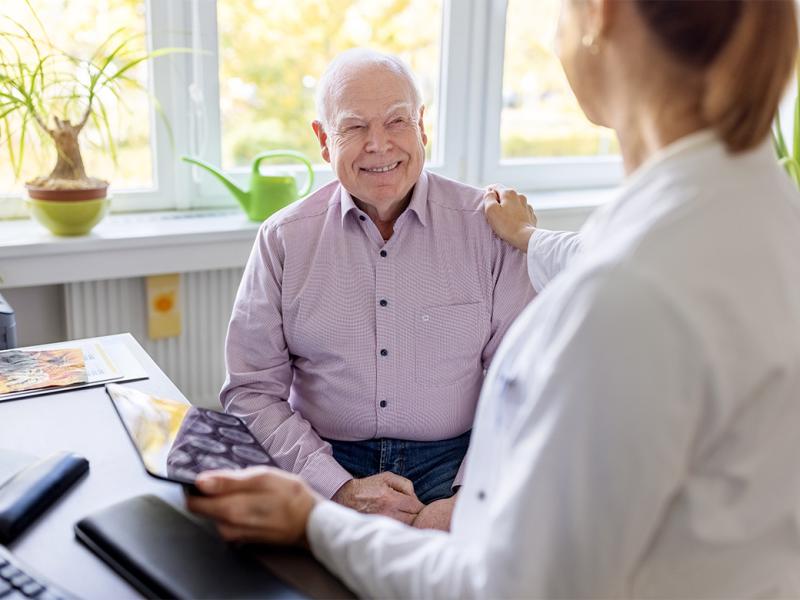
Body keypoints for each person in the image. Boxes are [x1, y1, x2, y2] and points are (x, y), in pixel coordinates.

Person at [188, 0, 800, 596]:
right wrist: (333, 491)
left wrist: (312, 520)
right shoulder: (762, 219)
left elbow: (503, 583)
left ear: (602, 13)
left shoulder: (628, 294)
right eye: (356, 127)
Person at [220, 49, 534, 531]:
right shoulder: (284, 239)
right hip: (322, 461)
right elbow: (251, 391)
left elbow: (520, 381)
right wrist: (336, 486)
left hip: (462, 463)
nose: (379, 145)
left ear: (422, 126)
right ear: (324, 141)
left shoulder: (491, 229)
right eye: (354, 128)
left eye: (396, 121)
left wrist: (471, 495)